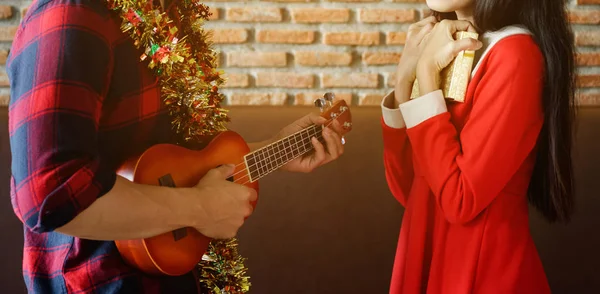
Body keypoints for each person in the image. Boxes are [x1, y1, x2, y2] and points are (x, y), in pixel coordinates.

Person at [6, 0, 344, 293]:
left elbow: (176, 165)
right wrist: (201, 209)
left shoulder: (162, 13)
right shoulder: (71, 13)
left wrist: (277, 147)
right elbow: (48, 196)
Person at [380, 0, 575, 293]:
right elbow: (410, 188)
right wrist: (403, 81)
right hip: (426, 252)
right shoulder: (441, 46)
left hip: (478, 272)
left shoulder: (515, 54)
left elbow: (460, 201)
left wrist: (426, 74)